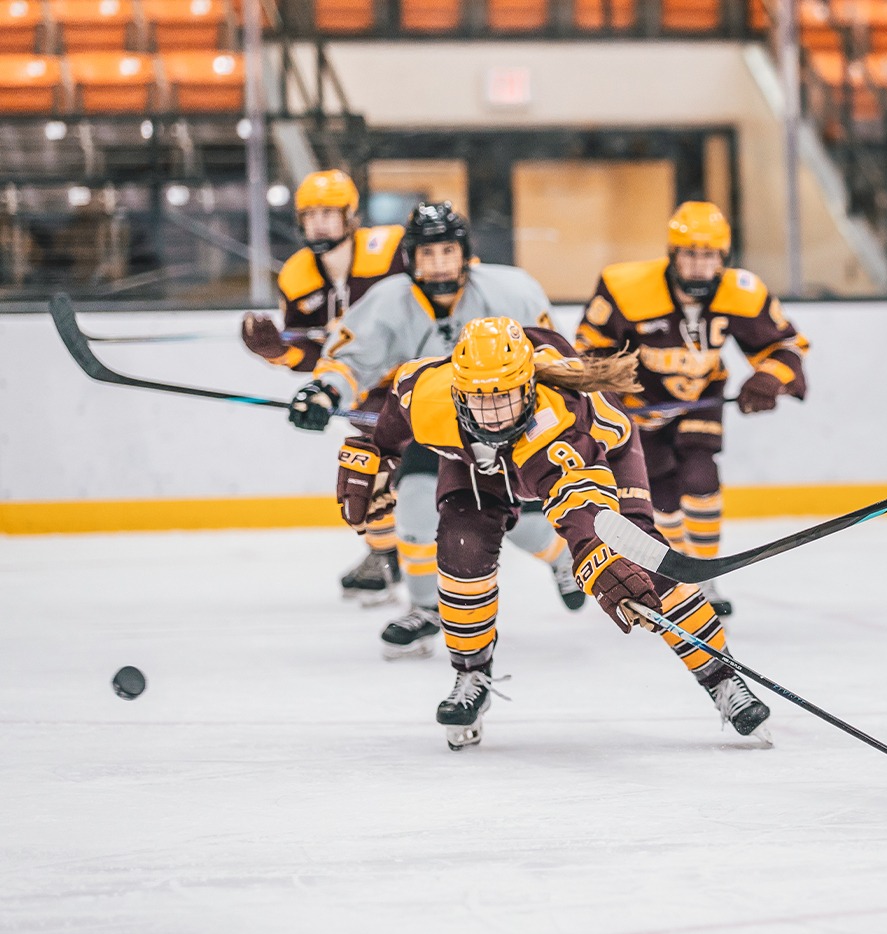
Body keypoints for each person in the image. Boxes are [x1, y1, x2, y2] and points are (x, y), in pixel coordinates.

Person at [336, 316, 771, 750]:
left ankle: (722, 679)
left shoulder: (557, 421)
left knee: (638, 558)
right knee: (460, 549)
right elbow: (387, 431)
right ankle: (471, 674)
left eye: (504, 399)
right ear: (456, 390)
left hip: (605, 455)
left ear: (528, 386)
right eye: (479, 401)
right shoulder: (425, 392)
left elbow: (582, 512)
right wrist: (368, 457)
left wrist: (598, 554)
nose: (492, 416)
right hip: (478, 468)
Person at [292, 202, 584, 658]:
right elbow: (350, 360)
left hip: (511, 428)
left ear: (465, 252)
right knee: (412, 506)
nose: (438, 262)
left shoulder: (512, 289)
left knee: (522, 523)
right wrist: (323, 393)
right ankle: (427, 609)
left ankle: (563, 559)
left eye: (447, 251)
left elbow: (554, 356)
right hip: (439, 429)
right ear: (412, 258)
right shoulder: (390, 300)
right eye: (427, 253)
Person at [574, 201, 809, 616]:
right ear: (673, 254)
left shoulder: (743, 291)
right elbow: (589, 350)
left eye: (709, 256)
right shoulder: (626, 287)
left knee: (701, 478)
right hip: (639, 406)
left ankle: (706, 577)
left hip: (701, 398)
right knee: (662, 495)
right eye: (690, 254)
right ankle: (677, 570)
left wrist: (768, 377)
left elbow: (786, 345)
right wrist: (611, 402)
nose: (699, 266)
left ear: (723, 258)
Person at [239, 169, 409, 603]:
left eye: (328, 213)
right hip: (359, 391)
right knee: (364, 479)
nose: (318, 223)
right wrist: (276, 351)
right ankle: (387, 557)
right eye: (309, 214)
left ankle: (409, 558)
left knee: (410, 480)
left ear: (350, 216)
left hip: (414, 380)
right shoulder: (296, 276)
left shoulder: (390, 250)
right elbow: (311, 355)